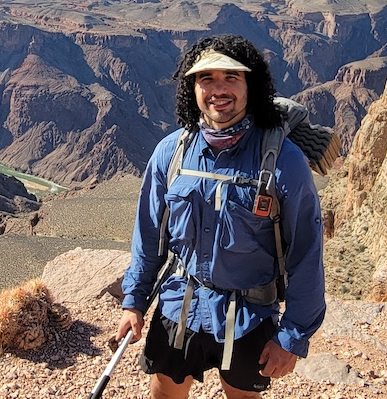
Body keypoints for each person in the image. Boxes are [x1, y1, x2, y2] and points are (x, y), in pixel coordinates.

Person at [115, 34, 327, 398]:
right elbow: (150, 236)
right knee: (163, 394)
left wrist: (292, 336)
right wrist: (134, 301)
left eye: (231, 77)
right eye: (206, 78)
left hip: (249, 317)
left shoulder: (283, 162)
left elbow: (307, 254)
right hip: (180, 306)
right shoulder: (172, 153)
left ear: (250, 85)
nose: (218, 89)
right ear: (192, 88)